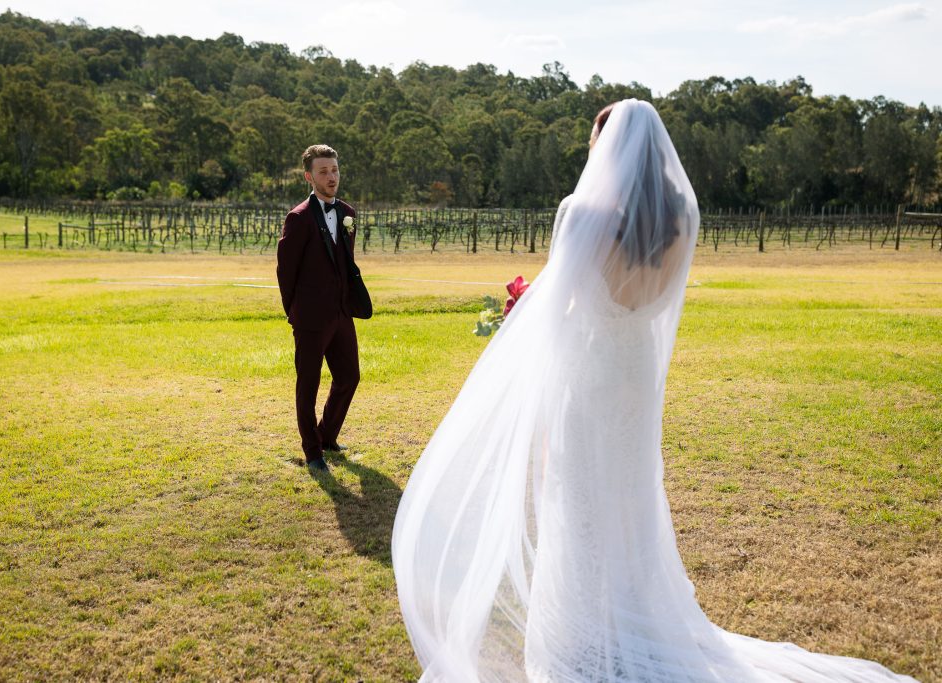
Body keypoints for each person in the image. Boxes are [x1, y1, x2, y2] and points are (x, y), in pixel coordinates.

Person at [391, 100, 916, 682]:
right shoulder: (682, 216)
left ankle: (584, 638)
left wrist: (515, 315)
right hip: (636, 369)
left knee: (578, 496)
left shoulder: (579, 212)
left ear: (606, 147)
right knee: (630, 494)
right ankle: (633, 613)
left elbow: (557, 304)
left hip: (590, 367)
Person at [276, 144, 360, 473]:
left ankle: (326, 436)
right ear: (309, 177)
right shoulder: (297, 218)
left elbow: (344, 262)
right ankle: (312, 451)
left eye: (334, 170)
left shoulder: (348, 213)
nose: (331, 177)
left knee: (349, 377)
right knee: (308, 385)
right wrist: (295, 312)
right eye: (323, 172)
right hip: (309, 317)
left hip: (341, 313)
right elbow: (286, 271)